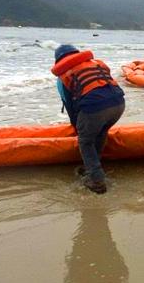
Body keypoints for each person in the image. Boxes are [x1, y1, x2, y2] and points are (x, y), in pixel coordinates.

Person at [52, 44, 126, 194]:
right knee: (101, 132)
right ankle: (91, 167)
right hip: (119, 104)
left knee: (85, 141)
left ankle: (96, 180)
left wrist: (77, 127)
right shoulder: (95, 63)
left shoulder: (64, 74)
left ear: (58, 60)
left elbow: (69, 104)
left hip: (95, 107)